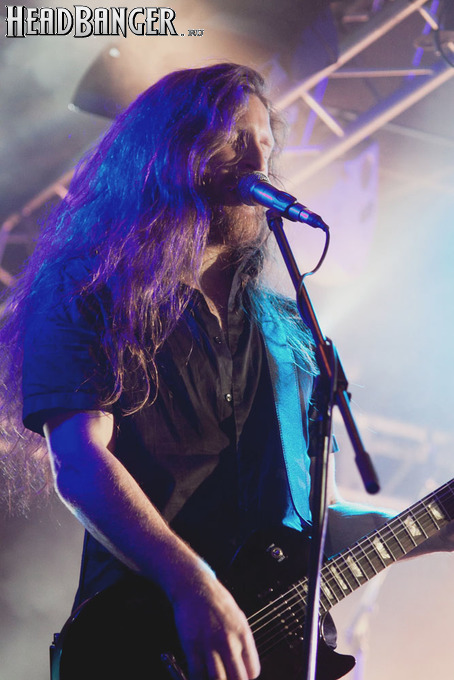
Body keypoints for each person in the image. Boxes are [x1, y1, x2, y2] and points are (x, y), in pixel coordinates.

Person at [1, 62, 453, 680]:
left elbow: (313, 520)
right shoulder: (90, 291)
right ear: (173, 149)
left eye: (265, 143)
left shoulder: (290, 331)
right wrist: (192, 585)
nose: (258, 159)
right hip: (139, 645)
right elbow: (79, 461)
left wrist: (432, 527)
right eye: (236, 138)